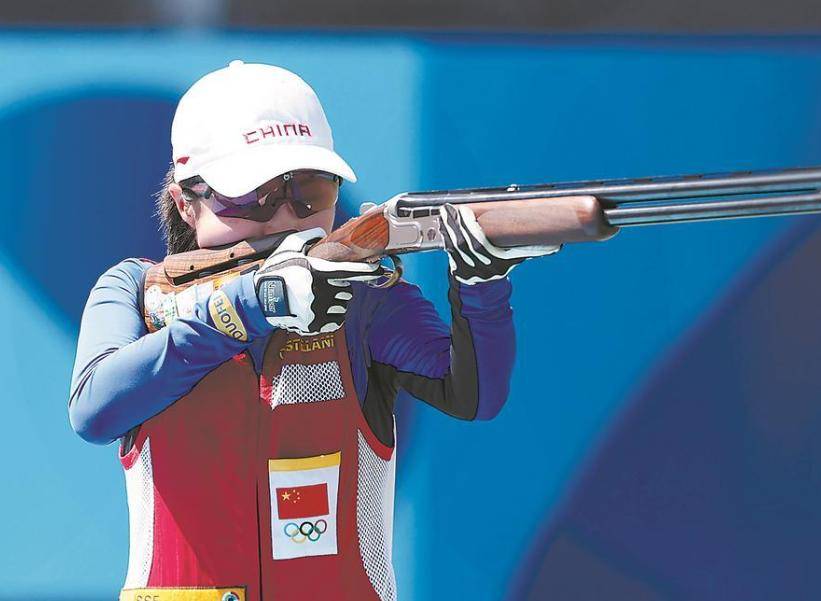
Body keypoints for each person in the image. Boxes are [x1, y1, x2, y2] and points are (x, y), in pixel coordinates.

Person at [68, 60, 608, 601]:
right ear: (186, 203)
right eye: (251, 195)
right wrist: (248, 307)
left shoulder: (366, 299)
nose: (284, 217)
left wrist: (480, 286)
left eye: (307, 191)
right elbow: (95, 410)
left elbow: (476, 396)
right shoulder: (135, 290)